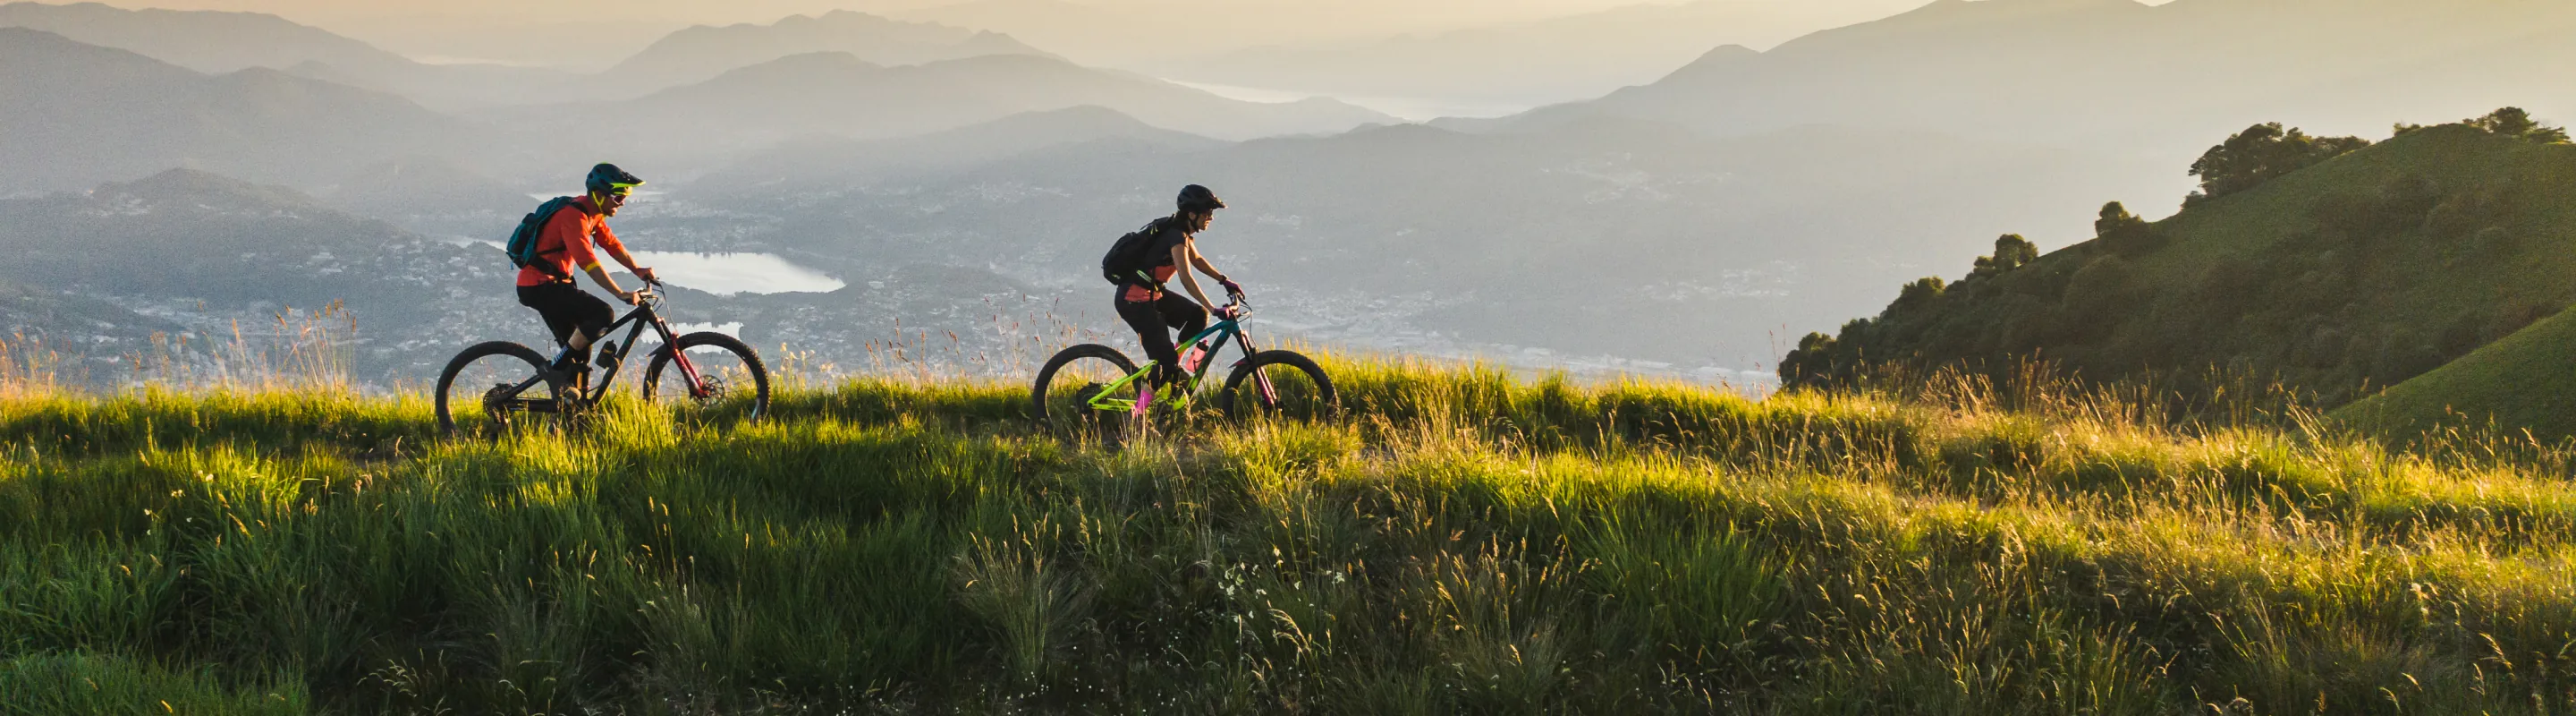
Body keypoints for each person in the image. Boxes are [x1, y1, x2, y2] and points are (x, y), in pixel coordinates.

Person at [518, 164, 659, 373]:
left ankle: (573, 399)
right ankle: (555, 369)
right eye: (618, 198)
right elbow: (588, 262)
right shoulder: (573, 217)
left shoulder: (592, 213)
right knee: (602, 313)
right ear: (600, 195)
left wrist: (636, 269)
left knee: (580, 353)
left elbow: (611, 244)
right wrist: (619, 293)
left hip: (555, 285)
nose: (622, 204)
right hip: (540, 287)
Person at [1116, 183, 1243, 414]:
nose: (1211, 218)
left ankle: (1178, 370)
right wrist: (1214, 308)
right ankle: (1138, 414)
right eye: (1207, 213)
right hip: (1133, 298)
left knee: (1197, 316)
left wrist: (1224, 280)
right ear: (1192, 214)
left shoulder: (1182, 233)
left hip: (1152, 294)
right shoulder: (1175, 236)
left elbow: (1197, 260)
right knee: (1164, 362)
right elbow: (1186, 277)